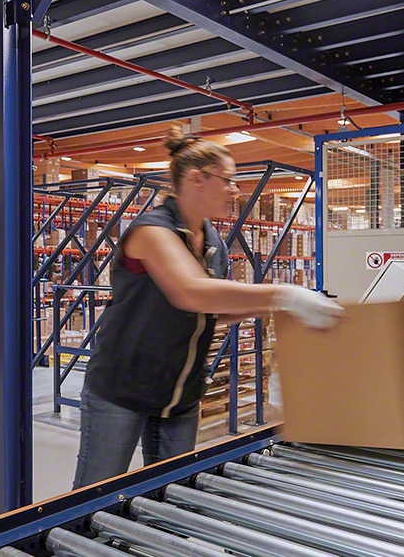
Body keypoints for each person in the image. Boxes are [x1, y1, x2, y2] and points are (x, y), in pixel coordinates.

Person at [72, 129, 343, 489]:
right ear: (197, 179)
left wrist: (271, 310)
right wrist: (284, 295)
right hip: (123, 389)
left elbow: (211, 311)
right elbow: (192, 293)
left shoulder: (212, 241)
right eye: (228, 180)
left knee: (173, 493)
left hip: (180, 393)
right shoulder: (152, 231)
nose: (235, 190)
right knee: (95, 495)